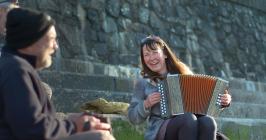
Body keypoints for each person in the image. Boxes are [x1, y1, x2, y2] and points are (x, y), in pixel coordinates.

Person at [0, 8, 115, 140]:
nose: (56, 46)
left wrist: (68, 121)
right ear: (31, 42)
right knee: (101, 138)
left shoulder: (14, 66)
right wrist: (73, 125)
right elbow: (33, 131)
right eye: (52, 39)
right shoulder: (16, 71)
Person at [127, 35, 232, 140]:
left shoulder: (183, 72)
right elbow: (132, 117)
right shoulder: (143, 82)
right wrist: (146, 104)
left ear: (165, 54)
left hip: (192, 121)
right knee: (187, 119)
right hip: (160, 130)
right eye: (146, 55)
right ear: (143, 59)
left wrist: (223, 101)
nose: (151, 58)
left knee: (208, 121)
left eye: (155, 52)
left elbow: (203, 100)